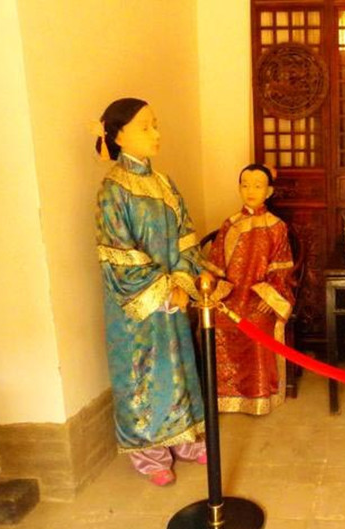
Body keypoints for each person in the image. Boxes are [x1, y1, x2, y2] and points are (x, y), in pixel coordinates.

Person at [94, 98, 206, 486]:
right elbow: (117, 254)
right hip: (137, 306)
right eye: (146, 127)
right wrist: (162, 289)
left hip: (172, 295)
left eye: (156, 124)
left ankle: (185, 438)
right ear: (119, 134)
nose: (156, 134)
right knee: (141, 375)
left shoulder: (164, 184)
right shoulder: (112, 190)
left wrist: (183, 281)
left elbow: (186, 235)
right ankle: (149, 454)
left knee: (176, 367)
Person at [208, 164, 295, 415]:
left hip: (259, 295)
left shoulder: (277, 226)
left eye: (257, 185)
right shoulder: (230, 224)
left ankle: (259, 397)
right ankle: (223, 396)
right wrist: (217, 291)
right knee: (217, 322)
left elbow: (282, 269)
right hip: (231, 294)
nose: (250, 190)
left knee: (256, 323)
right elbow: (216, 266)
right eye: (245, 185)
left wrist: (272, 295)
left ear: (269, 191)